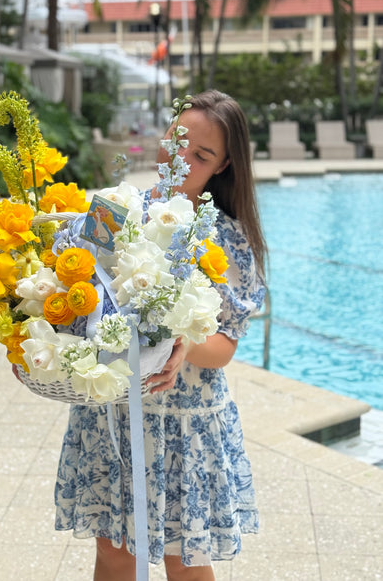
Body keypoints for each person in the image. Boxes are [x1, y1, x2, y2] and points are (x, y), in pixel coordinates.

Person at [54, 89, 267, 580]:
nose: (181, 159)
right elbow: (79, 296)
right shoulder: (116, 210)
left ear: (225, 164)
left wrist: (186, 343)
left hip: (184, 424)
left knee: (183, 560)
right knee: (113, 552)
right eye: (177, 141)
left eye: (201, 155)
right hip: (113, 413)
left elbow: (224, 349)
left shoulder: (229, 240)